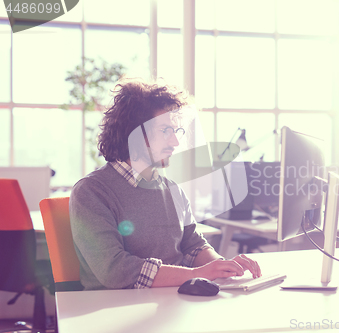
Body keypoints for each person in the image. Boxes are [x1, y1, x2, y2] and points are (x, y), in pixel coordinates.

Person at [69, 79, 261, 290]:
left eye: (175, 132)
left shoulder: (173, 190)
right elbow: (114, 270)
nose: (175, 142)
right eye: (164, 131)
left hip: (172, 302)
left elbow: (194, 245)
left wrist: (223, 266)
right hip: (113, 311)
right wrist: (197, 274)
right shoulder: (91, 192)